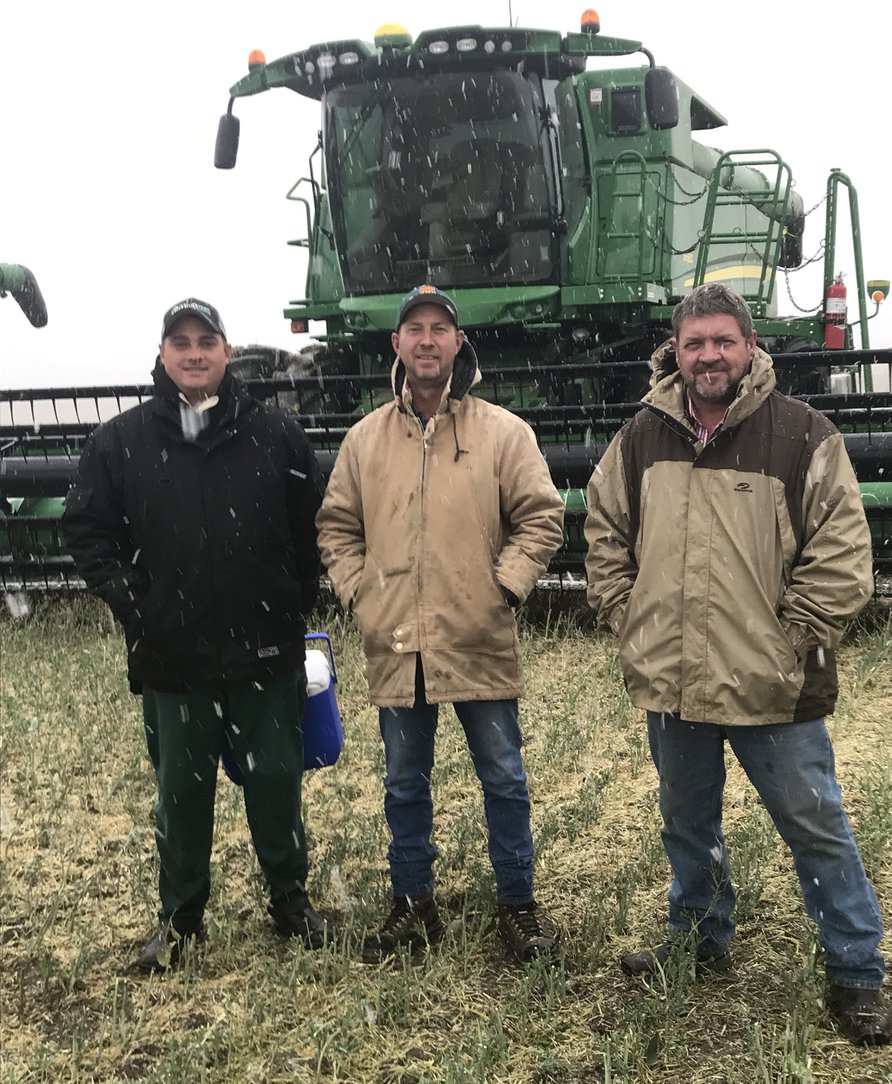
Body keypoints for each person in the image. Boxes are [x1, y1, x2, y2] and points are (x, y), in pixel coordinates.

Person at [584, 283, 892, 1047]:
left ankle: (856, 970)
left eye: (723, 341)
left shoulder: (801, 435)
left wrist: (793, 637)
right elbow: (604, 533)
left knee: (814, 825)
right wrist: (631, 619)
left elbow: (844, 555)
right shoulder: (641, 438)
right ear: (676, 353)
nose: (709, 355)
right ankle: (699, 936)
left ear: (750, 348)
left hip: (773, 683)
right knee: (687, 824)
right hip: (675, 680)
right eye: (695, 343)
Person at [64, 298, 328, 971]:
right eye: (179, 342)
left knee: (275, 780)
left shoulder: (277, 436)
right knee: (181, 793)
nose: (193, 353)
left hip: (265, 652)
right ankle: (180, 922)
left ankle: (291, 904)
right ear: (162, 355)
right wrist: (137, 606)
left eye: (206, 341)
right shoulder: (119, 444)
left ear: (227, 352)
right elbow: (87, 531)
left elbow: (309, 534)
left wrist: (291, 608)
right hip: (172, 658)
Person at [316, 285, 565, 963]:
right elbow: (337, 526)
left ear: (459, 343)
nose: (427, 340)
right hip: (397, 640)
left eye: (439, 329)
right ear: (395, 344)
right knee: (404, 782)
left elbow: (542, 517)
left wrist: (503, 590)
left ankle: (517, 904)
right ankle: (413, 904)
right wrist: (361, 595)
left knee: (504, 778)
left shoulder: (502, 433)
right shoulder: (364, 441)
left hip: (478, 633)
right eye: (414, 329)